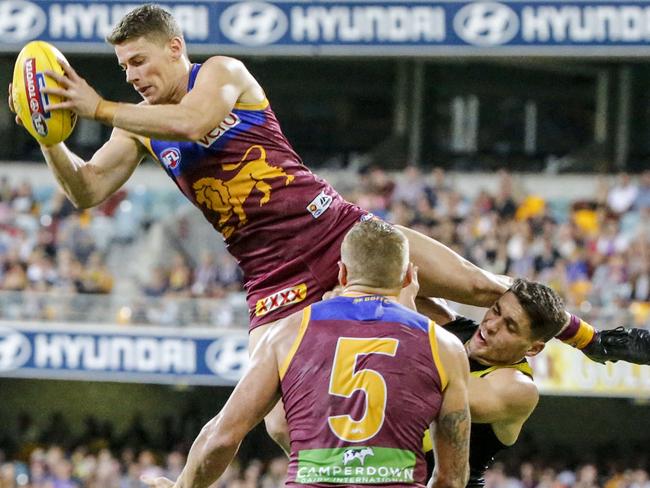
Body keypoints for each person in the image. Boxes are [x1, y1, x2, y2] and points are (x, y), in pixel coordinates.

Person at [7, 3, 505, 442]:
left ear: (174, 47)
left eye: (139, 60)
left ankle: (579, 337)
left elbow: (193, 123)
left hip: (335, 233)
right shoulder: (139, 126)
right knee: (281, 424)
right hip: (273, 278)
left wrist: (98, 108)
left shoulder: (222, 72)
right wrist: (47, 135)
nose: (132, 75)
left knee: (480, 288)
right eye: (124, 67)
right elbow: (87, 189)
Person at [142, 220, 471, 488]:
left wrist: (183, 485)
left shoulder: (287, 332)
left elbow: (222, 435)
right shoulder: (444, 346)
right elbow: (451, 478)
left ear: (342, 274)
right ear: (410, 277)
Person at [415, 281, 650, 487]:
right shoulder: (456, 328)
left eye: (510, 326)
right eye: (495, 310)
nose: (491, 325)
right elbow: (396, 256)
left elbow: (436, 392)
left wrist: (397, 311)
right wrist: (485, 286)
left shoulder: (518, 388)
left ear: (533, 348)